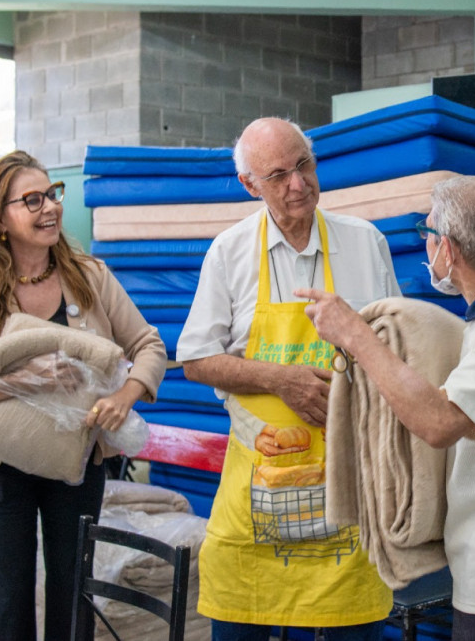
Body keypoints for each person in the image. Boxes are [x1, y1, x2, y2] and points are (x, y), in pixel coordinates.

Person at [300, 175, 475, 641]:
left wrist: (355, 334)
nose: (426, 243)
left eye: (427, 232)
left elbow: (438, 421)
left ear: (448, 250)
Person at [0, 151, 167, 641]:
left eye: (52, 194)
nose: (49, 207)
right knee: (9, 600)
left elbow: (149, 345)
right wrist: (7, 384)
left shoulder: (90, 276)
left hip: (77, 461)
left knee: (74, 591)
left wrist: (127, 394)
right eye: (31, 200)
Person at [177, 117, 401, 641]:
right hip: (257, 488)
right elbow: (195, 360)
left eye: (303, 165)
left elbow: (398, 353)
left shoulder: (365, 244)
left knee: (355, 626)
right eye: (277, 175)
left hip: (351, 488)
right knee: (238, 617)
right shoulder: (229, 253)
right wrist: (281, 380)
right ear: (249, 185)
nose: (297, 184)